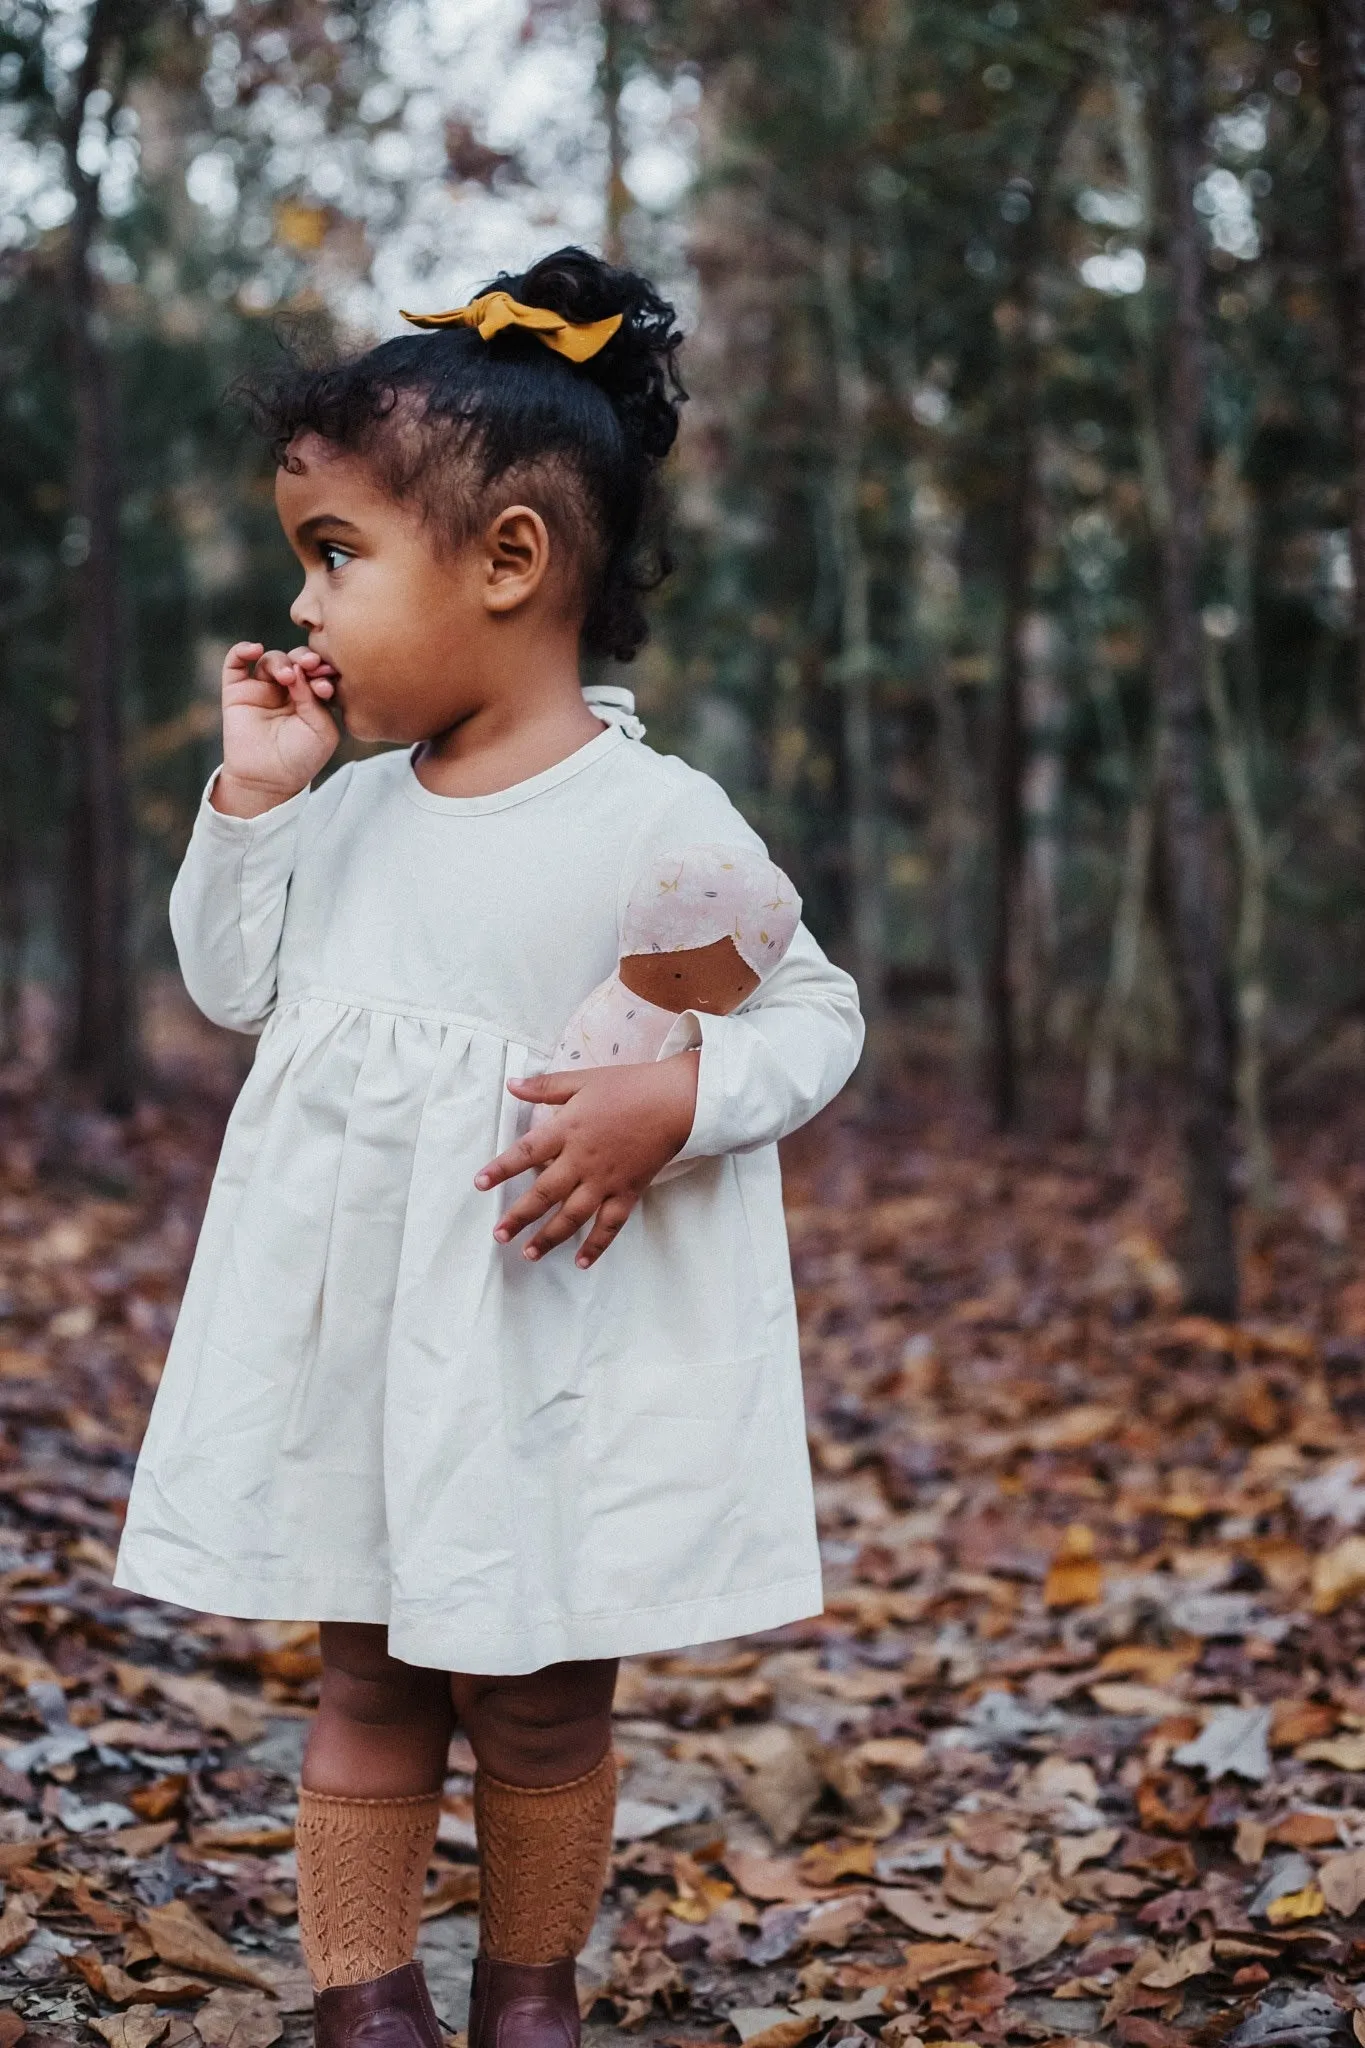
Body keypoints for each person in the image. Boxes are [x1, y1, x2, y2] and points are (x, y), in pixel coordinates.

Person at [114, 247, 863, 2048]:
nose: (302, 601)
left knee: (538, 1696)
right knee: (366, 1670)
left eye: (336, 553)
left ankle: (531, 1993)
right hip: (372, 1336)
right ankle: (366, 1999)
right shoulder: (345, 810)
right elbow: (228, 987)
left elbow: (811, 1016)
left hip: (547, 1344)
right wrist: (248, 801)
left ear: (512, 560)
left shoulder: (657, 814)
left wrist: (668, 1103)